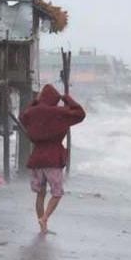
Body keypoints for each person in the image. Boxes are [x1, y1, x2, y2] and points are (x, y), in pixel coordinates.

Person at [20, 84, 86, 233]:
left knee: (40, 194)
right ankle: (45, 218)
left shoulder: (33, 113)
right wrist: (67, 98)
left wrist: (35, 102)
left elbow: (23, 117)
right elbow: (80, 114)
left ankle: (42, 226)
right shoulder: (59, 113)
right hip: (52, 158)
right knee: (57, 193)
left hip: (37, 158)